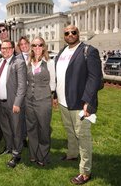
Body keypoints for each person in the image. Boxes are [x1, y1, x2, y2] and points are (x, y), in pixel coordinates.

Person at [53, 25, 102, 185]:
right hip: (63, 101)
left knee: (83, 135)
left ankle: (85, 171)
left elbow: (94, 78)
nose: (70, 35)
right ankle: (72, 154)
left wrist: (88, 101)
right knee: (70, 130)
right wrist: (55, 95)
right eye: (67, 33)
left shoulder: (89, 51)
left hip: (80, 102)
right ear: (64, 35)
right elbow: (59, 77)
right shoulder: (61, 52)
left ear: (78, 34)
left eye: (73, 32)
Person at [0, 39, 27, 168]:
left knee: (16, 129)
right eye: (3, 48)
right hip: (0, 102)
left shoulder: (19, 63)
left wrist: (17, 103)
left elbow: (22, 86)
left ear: (12, 49)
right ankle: (9, 147)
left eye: (8, 48)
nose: (5, 51)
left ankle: (16, 154)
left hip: (13, 103)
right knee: (5, 127)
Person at [25, 36, 55, 166]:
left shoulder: (49, 62)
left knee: (43, 129)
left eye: (40, 45)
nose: (37, 48)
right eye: (34, 45)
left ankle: (43, 156)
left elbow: (53, 82)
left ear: (44, 47)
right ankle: (33, 154)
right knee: (31, 128)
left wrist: (51, 97)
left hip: (43, 100)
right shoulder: (28, 61)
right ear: (31, 47)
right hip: (29, 100)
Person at [16, 36, 31, 147]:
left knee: (32, 116)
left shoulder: (35, 56)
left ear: (29, 44)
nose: (24, 46)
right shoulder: (16, 58)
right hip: (21, 92)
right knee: (22, 117)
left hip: (33, 91)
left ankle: (33, 136)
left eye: (25, 43)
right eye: (21, 44)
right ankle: (23, 137)